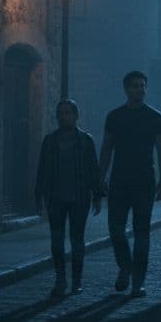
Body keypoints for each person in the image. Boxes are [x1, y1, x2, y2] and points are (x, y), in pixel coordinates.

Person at [99, 70, 161, 297]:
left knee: (142, 233)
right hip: (119, 180)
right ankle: (125, 266)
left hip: (144, 181)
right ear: (126, 89)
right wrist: (101, 177)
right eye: (135, 86)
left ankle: (138, 281)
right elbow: (107, 148)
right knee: (116, 231)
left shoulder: (155, 118)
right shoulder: (115, 117)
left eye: (142, 86)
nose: (140, 89)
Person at [33, 99, 103, 298]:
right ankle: (60, 278)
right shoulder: (50, 141)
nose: (65, 117)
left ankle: (77, 280)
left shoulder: (85, 140)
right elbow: (42, 169)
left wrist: (97, 195)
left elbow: (93, 169)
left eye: (69, 113)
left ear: (76, 116)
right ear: (57, 116)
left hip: (80, 197)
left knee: (77, 239)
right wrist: (38, 195)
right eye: (62, 113)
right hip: (55, 197)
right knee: (57, 240)